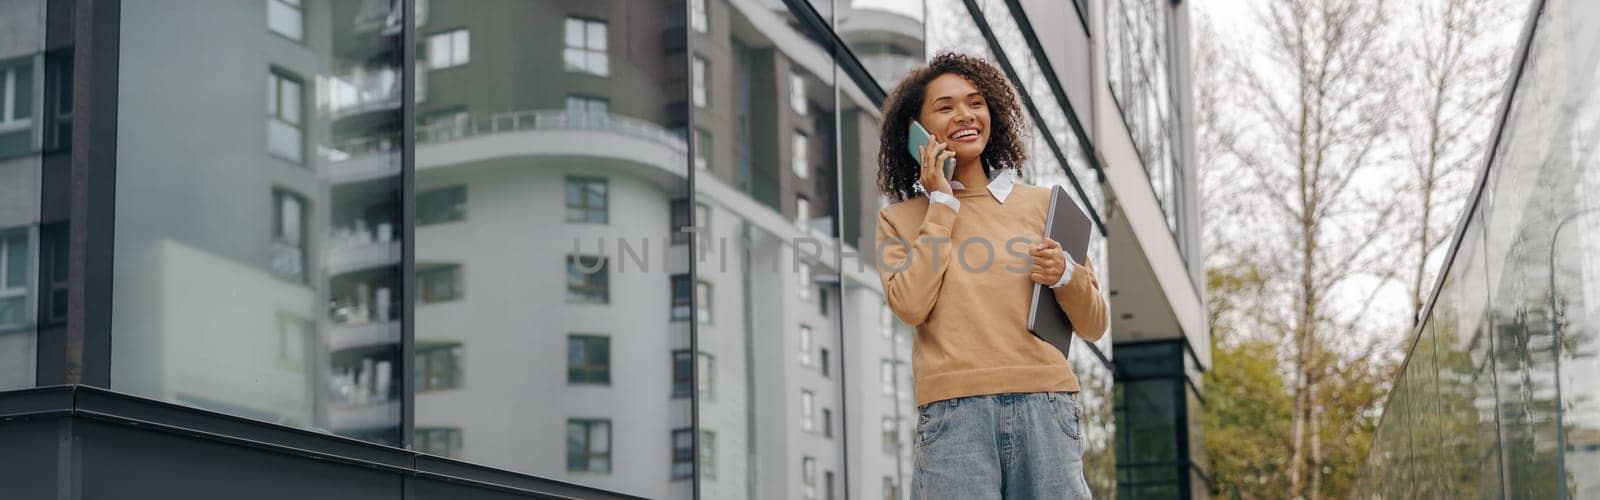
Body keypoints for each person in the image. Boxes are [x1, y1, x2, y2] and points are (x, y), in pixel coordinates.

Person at [873, 52, 1109, 499]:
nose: (964, 115)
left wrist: (1066, 275)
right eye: (945, 107)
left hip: (1047, 405)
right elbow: (910, 304)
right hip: (953, 415)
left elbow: (1095, 323)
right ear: (916, 132)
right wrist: (941, 206)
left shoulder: (1044, 205)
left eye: (975, 102)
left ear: (992, 114)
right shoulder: (902, 220)